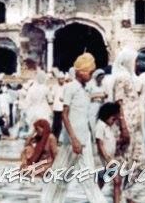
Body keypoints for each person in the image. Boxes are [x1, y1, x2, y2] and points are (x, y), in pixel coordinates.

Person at [41, 52, 107, 203]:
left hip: (84, 139)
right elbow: (64, 114)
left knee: (86, 177)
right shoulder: (71, 87)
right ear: (81, 72)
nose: (91, 76)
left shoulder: (85, 89)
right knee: (61, 176)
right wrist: (73, 139)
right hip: (73, 140)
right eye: (89, 72)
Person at [112, 47, 145, 203]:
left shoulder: (131, 77)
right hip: (126, 123)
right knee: (124, 160)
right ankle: (120, 195)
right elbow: (118, 102)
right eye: (136, 61)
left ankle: (127, 191)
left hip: (135, 123)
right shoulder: (121, 77)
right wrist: (123, 126)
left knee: (139, 159)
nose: (138, 64)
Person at [95, 102, 123, 203]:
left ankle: (94, 199)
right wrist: (107, 159)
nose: (114, 121)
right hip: (104, 161)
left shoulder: (108, 127)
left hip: (108, 160)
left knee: (100, 183)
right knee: (117, 181)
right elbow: (100, 144)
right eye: (113, 119)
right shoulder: (100, 126)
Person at [87, 68, 107, 133]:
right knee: (92, 122)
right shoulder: (90, 84)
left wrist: (104, 95)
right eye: (100, 78)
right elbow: (87, 96)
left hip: (101, 105)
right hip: (93, 105)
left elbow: (106, 94)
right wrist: (98, 95)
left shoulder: (103, 85)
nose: (101, 79)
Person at [52, 72, 65, 139]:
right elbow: (52, 96)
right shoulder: (55, 87)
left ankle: (60, 138)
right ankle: (55, 138)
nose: (61, 80)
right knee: (55, 124)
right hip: (56, 108)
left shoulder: (66, 87)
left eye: (63, 79)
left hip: (63, 108)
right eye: (60, 79)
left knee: (62, 124)